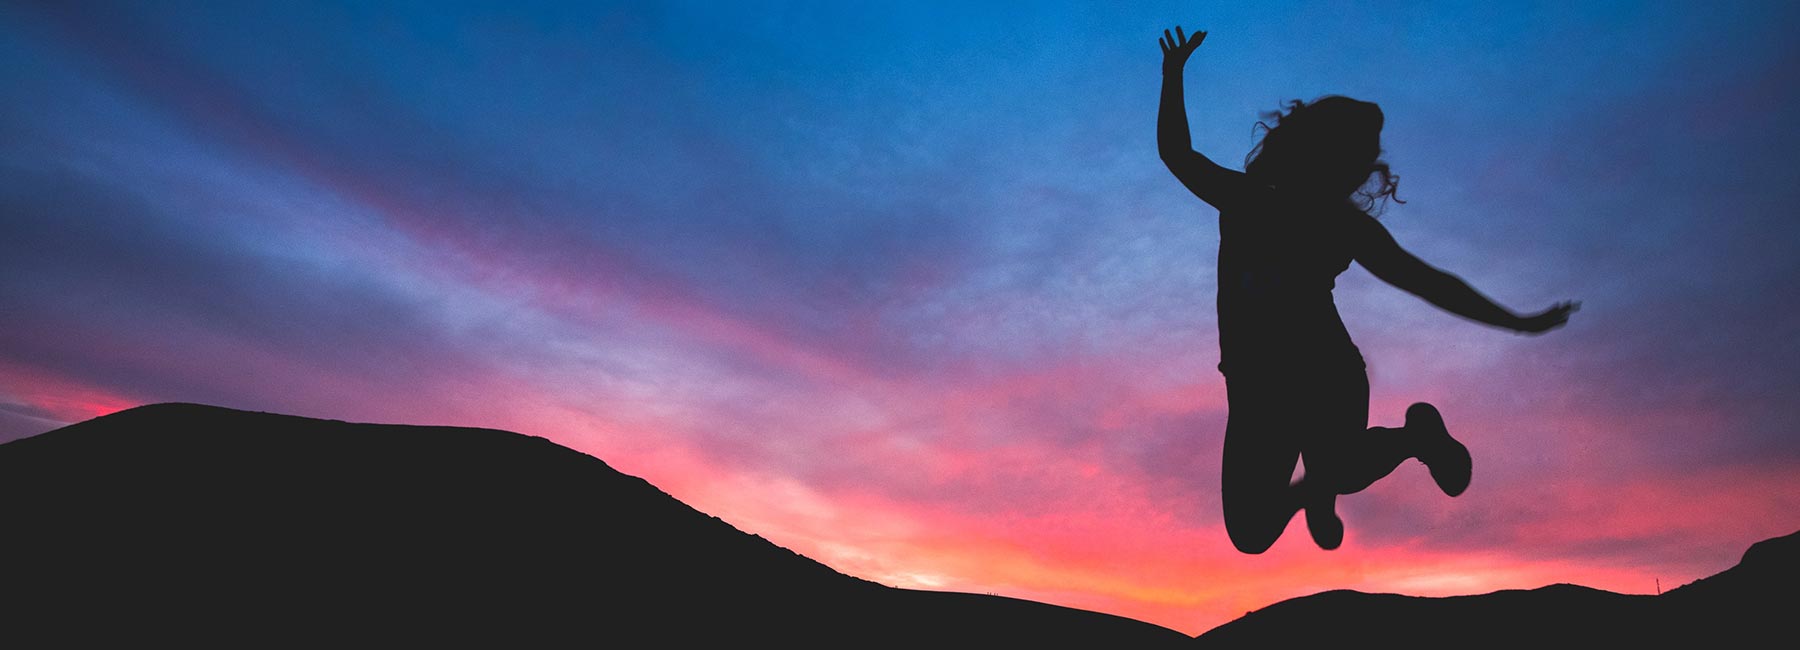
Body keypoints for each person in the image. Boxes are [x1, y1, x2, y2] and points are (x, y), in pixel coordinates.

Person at [1157, 26, 1579, 553]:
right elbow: (1177, 154)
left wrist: (1517, 321)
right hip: (1254, 383)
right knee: (1250, 532)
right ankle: (1317, 490)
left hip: (1322, 368)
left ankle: (1412, 440)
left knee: (1341, 465)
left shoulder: (1341, 224)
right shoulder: (1248, 197)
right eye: (1355, 160)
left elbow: (1426, 281)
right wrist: (1172, 75)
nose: (1360, 173)